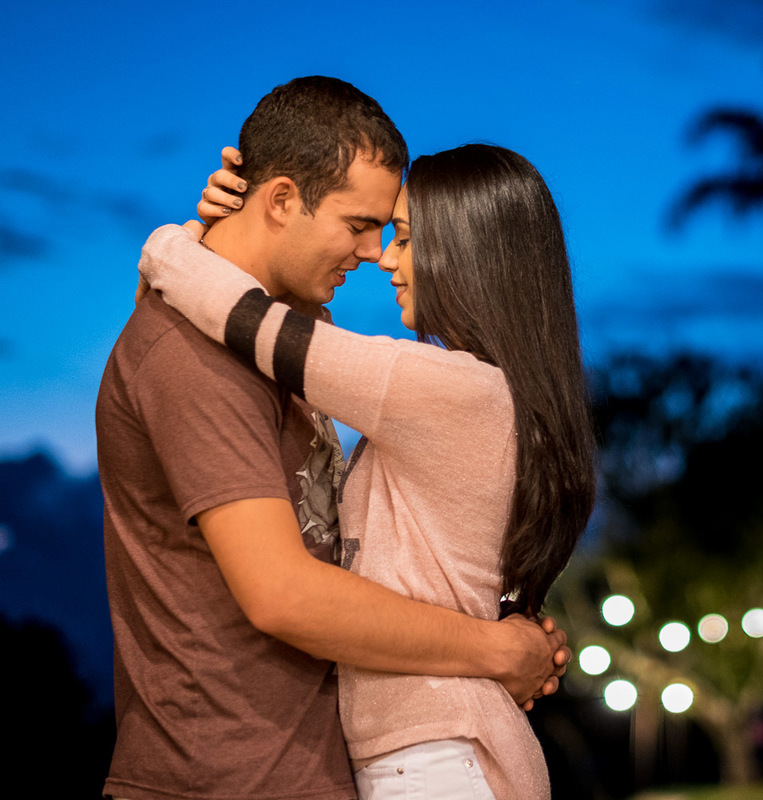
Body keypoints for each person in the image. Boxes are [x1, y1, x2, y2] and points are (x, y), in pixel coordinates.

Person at [97, 77, 568, 800]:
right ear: (282, 199)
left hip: (350, 765)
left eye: (396, 233)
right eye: (361, 225)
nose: (376, 254)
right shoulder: (194, 354)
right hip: (221, 779)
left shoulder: (327, 354)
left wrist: (184, 247)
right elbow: (282, 593)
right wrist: (498, 647)